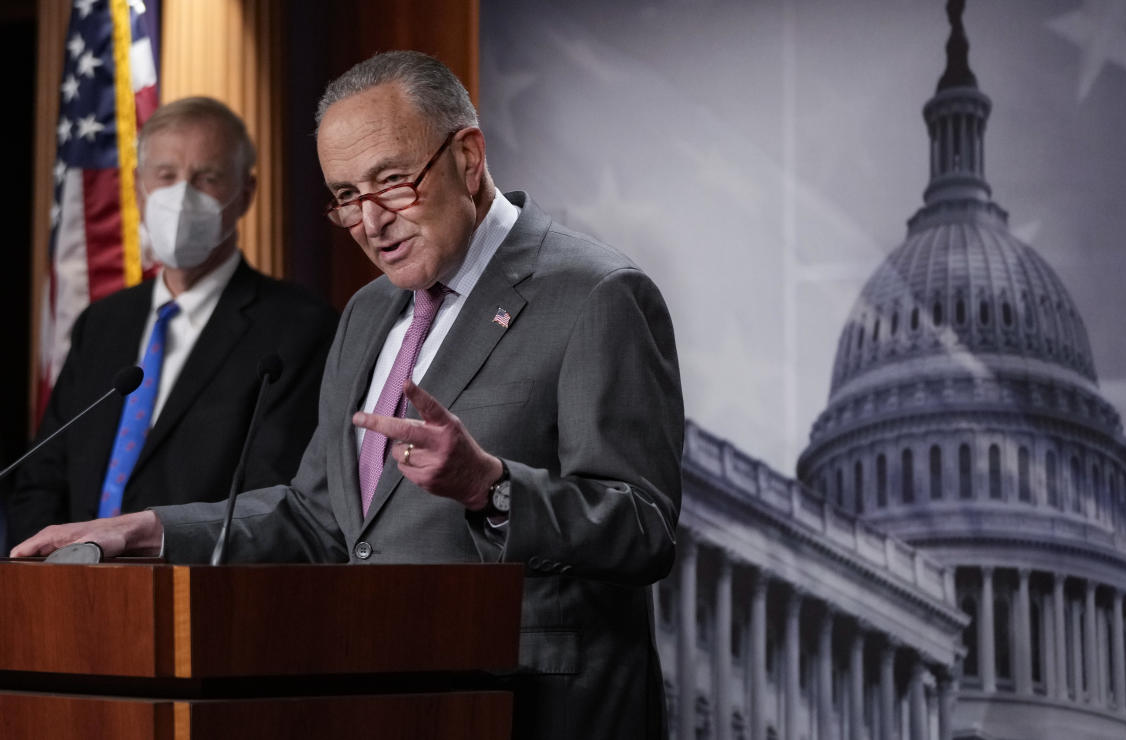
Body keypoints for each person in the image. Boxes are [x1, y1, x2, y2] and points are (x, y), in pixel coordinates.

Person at [12, 52, 684, 740]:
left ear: (469, 158)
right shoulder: (368, 311)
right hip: (382, 701)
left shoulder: (595, 294)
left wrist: (492, 488)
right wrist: (148, 530)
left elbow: (645, 530)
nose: (369, 220)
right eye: (346, 196)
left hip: (535, 710)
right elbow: (318, 518)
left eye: (392, 182)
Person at [6, 97, 338, 545]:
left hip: (194, 591)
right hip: (70, 593)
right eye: (166, 176)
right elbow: (40, 477)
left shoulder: (300, 329)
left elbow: (273, 499)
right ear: (139, 188)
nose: (182, 196)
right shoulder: (102, 323)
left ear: (246, 193)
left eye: (208, 178)